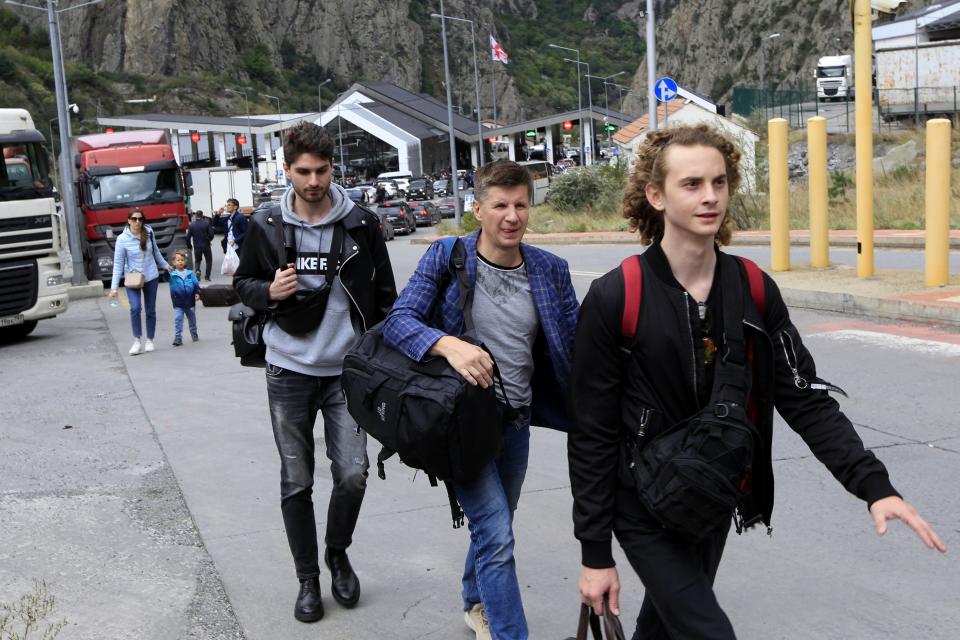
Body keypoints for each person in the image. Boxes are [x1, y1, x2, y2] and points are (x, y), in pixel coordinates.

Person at [567, 124, 946, 639]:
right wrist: (595, 554)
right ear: (655, 195)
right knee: (708, 631)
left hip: (711, 493)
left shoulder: (752, 288)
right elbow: (591, 432)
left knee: (666, 629)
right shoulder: (617, 297)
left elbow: (805, 399)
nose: (710, 197)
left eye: (719, 182)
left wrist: (873, 487)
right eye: (693, 184)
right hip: (640, 502)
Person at [382, 160, 579, 640]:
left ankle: (475, 600)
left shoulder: (550, 271)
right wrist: (447, 344)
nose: (511, 216)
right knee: (495, 532)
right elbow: (398, 320)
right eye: (500, 205)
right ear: (478, 209)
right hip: (460, 424)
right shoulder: (448, 256)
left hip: (515, 422)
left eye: (520, 205)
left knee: (498, 521)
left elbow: (579, 343)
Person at [233, 122, 397, 624]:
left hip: (347, 372)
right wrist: (268, 293)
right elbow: (242, 282)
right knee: (296, 480)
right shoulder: (265, 224)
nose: (313, 181)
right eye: (302, 171)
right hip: (288, 371)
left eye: (321, 171)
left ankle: (337, 552)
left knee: (352, 474)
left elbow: (386, 298)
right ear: (287, 170)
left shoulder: (361, 225)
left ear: (333, 168)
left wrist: (384, 358)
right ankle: (308, 579)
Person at [109, 208, 173, 355]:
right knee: (135, 308)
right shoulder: (122, 239)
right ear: (128, 220)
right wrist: (113, 288)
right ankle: (137, 340)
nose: (137, 222)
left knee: (150, 310)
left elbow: (155, 252)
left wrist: (165, 265)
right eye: (134, 219)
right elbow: (118, 264)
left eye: (140, 219)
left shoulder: (149, 233)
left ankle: (150, 339)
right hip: (133, 278)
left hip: (151, 276)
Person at [168, 249, 201, 346]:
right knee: (178, 318)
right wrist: (167, 270)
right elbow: (165, 277)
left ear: (185, 261)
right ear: (174, 262)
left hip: (190, 301)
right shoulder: (172, 275)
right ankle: (178, 337)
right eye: (178, 260)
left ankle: (194, 333)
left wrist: (197, 293)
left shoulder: (190, 274)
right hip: (178, 302)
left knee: (192, 319)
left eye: (182, 260)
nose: (180, 262)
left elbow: (196, 285)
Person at [186, 211, 215, 281]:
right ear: (202, 216)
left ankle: (197, 271)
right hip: (206, 245)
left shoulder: (192, 225)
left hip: (197, 246)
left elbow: (188, 237)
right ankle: (207, 277)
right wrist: (208, 239)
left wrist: (189, 245)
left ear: (195, 216)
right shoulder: (207, 223)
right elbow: (212, 234)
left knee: (197, 260)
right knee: (209, 261)